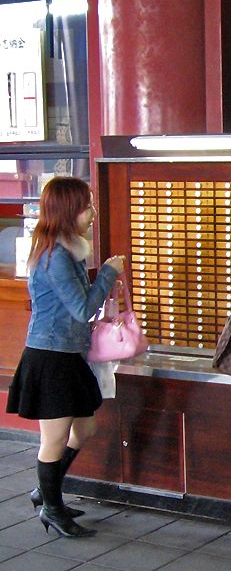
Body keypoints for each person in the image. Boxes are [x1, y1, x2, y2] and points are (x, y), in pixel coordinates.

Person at [6, 176, 125, 538]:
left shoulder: (67, 249)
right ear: (68, 210)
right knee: (53, 439)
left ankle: (46, 492)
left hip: (68, 354)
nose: (91, 213)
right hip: (50, 358)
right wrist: (108, 272)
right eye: (86, 206)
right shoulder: (55, 256)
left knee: (84, 427)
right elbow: (81, 308)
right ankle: (52, 509)